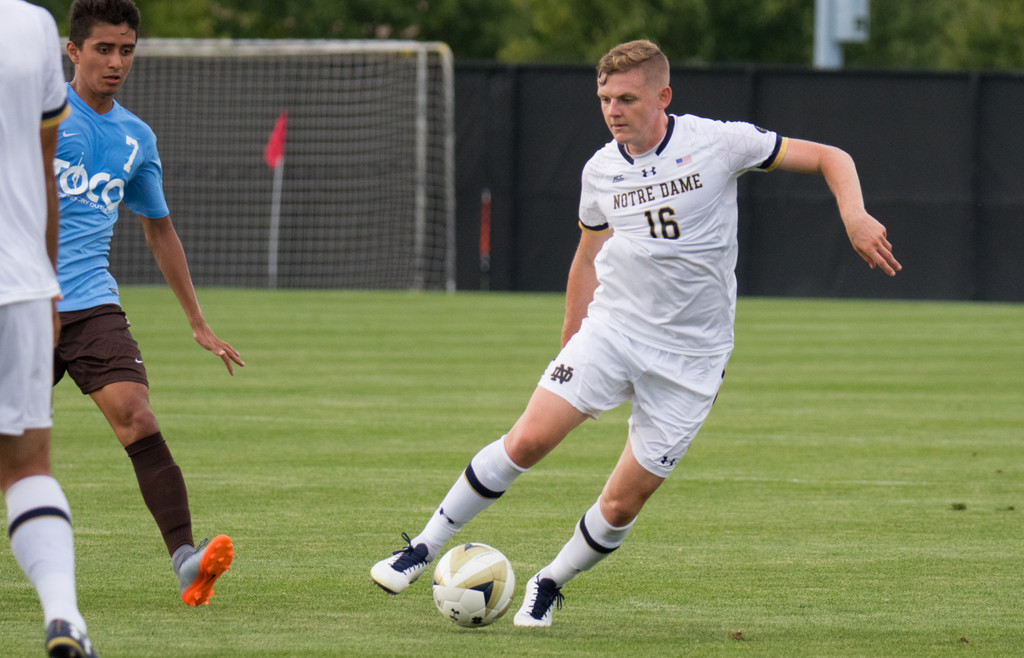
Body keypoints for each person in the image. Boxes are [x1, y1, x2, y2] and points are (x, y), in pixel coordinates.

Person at [371, 39, 902, 627]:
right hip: (614, 331)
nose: (613, 110)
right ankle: (421, 546)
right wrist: (572, 337)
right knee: (526, 441)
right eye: (604, 98)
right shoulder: (599, 169)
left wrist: (854, 215)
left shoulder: (719, 143)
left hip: (693, 360)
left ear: (662, 95)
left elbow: (833, 156)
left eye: (626, 97)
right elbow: (586, 255)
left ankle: (549, 581)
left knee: (624, 501)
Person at [53, 0, 243, 606]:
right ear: (73, 50)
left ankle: (187, 562)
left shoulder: (135, 137)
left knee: (136, 414)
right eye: (103, 49)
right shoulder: (36, 116)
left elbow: (158, 227)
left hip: (90, 306)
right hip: (20, 300)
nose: (116, 62)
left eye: (126, 50)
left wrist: (198, 322)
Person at [1, 1, 101, 656]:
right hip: (18, 280)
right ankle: (64, 617)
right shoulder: (30, 25)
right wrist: (50, 279)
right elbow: (43, 168)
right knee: (28, 465)